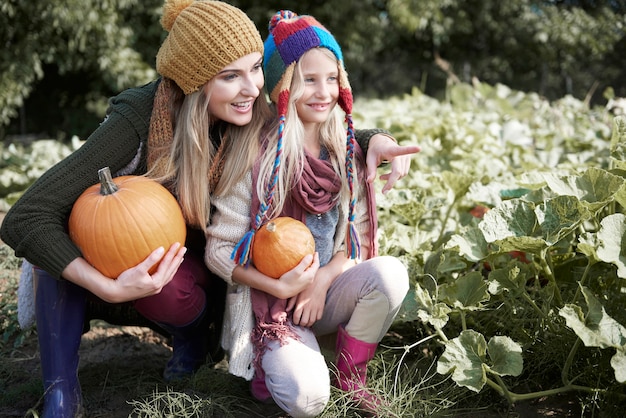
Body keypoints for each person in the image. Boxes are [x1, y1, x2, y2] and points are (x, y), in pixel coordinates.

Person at [0, 1, 418, 417]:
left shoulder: (251, 110)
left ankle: (193, 342)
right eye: (230, 76)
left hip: (197, 276)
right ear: (196, 83)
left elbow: (314, 122)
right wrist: (108, 287)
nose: (253, 88)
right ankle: (61, 390)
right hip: (123, 264)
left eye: (255, 68)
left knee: (173, 285)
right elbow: (27, 216)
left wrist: (373, 138)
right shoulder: (140, 120)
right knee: (60, 242)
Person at [205, 10, 412, 418]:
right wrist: (277, 286)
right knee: (307, 401)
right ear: (284, 86)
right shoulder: (255, 156)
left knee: (390, 274)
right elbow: (219, 251)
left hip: (326, 296)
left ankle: (351, 375)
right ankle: (279, 355)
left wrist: (320, 281)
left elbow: (357, 243)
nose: (323, 92)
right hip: (274, 308)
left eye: (332, 78)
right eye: (308, 79)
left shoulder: (345, 152)